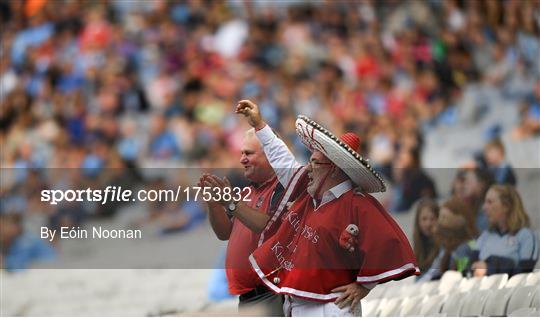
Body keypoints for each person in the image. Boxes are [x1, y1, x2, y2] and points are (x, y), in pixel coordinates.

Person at [236, 100, 419, 316]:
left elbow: (388, 244)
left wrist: (364, 286)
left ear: (334, 169)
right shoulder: (310, 191)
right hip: (298, 305)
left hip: (333, 308)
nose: (309, 168)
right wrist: (259, 126)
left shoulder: (357, 204)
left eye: (315, 163)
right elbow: (284, 161)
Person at [198, 128, 285, 316]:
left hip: (272, 293)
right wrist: (214, 205)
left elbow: (266, 226)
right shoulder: (248, 191)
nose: (242, 159)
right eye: (241, 153)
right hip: (248, 297)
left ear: (270, 155)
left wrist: (230, 202)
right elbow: (224, 234)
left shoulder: (282, 186)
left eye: (248, 153)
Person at [472, 185, 539, 276]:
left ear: (506, 206)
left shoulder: (526, 236)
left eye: (490, 202)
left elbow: (524, 274)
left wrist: (490, 267)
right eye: (485, 202)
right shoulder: (485, 236)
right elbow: (471, 266)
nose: (484, 208)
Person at [419, 197, 478, 281]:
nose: (439, 222)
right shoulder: (446, 249)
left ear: (460, 220)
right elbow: (432, 273)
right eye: (440, 217)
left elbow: (464, 276)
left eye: (444, 218)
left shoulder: (467, 246)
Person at [463, 167, 495, 233]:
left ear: (481, 184)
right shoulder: (475, 205)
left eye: (468, 182)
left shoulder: (488, 209)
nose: (464, 185)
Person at [413, 199, 440, 274]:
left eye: (432, 219)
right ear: (418, 222)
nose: (428, 224)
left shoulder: (443, 246)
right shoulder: (418, 245)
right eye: (424, 219)